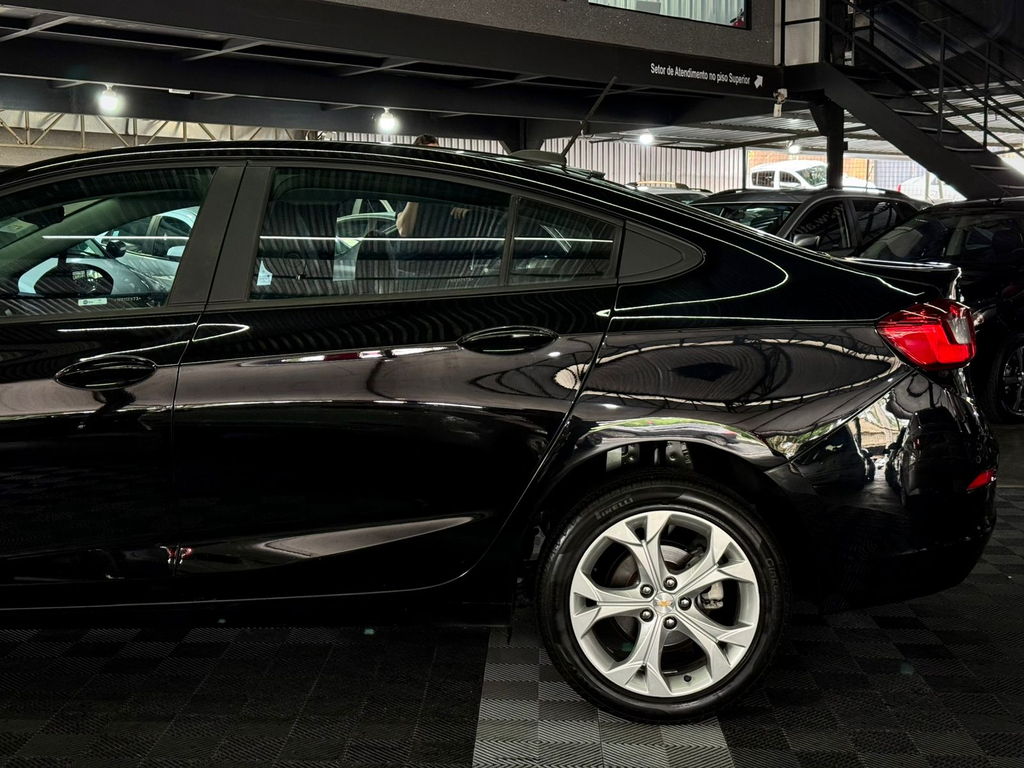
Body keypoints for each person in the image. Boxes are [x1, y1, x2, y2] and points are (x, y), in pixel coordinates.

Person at [396, 135, 468, 236]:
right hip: (417, 249)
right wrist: (417, 189)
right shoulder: (408, 186)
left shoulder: (453, 185)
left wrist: (467, 210)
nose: (433, 160)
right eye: (427, 156)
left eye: (437, 155)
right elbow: (404, 231)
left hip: (447, 247)